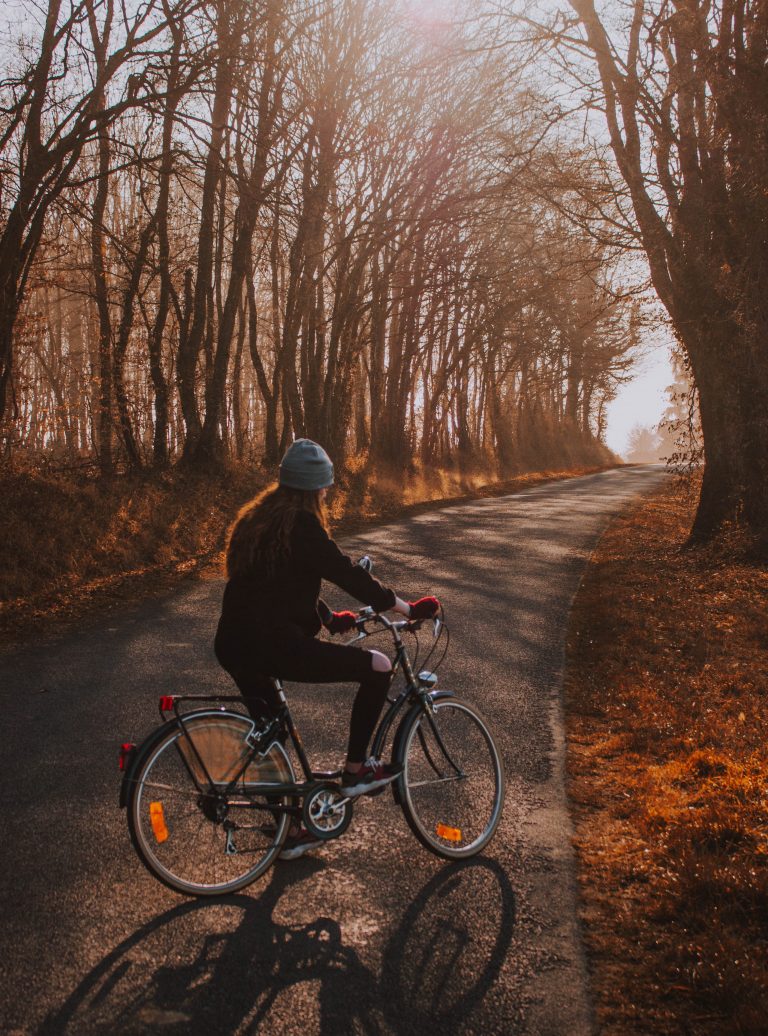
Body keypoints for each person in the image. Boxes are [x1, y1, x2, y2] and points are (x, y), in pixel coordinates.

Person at [214, 438, 440, 860]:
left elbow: (279, 583)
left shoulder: (256, 521)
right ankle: (356, 772)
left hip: (233, 643)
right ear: (315, 488)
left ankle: (286, 833)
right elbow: (347, 574)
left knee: (271, 736)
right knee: (377, 666)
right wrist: (409, 608)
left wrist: (331, 620)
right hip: (273, 643)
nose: (325, 495)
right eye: (324, 488)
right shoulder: (301, 525)